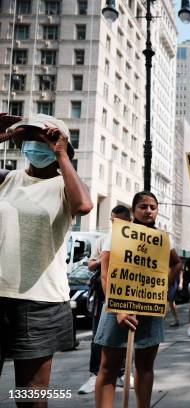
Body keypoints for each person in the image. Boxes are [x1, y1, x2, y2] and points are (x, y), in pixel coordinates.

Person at [0, 113, 93, 400]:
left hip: (41, 302)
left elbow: (84, 205)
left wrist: (62, 154)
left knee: (30, 395)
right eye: (30, 138)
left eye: (45, 137)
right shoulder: (7, 179)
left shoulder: (64, 186)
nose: (36, 144)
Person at [94, 191, 183, 408]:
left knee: (145, 366)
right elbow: (105, 274)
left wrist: (161, 291)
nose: (148, 210)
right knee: (108, 367)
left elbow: (177, 264)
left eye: (153, 207)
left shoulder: (163, 239)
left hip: (149, 309)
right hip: (117, 309)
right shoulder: (117, 234)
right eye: (143, 206)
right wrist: (119, 310)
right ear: (133, 210)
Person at [78, 205, 132, 394]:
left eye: (117, 220)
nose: (113, 224)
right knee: (98, 335)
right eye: (112, 220)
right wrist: (105, 258)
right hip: (103, 294)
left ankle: (123, 372)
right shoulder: (103, 240)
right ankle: (95, 374)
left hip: (126, 291)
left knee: (126, 333)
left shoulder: (134, 239)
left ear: (128, 221)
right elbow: (91, 266)